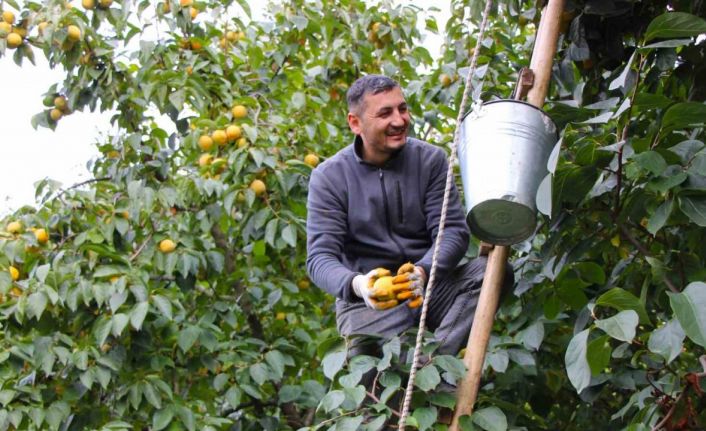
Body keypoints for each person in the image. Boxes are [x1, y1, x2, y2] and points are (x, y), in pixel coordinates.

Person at [306, 74, 513, 360]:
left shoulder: (431, 160)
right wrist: (358, 285)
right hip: (370, 302)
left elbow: (451, 231)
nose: (399, 120)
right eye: (384, 113)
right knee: (371, 371)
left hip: (431, 286)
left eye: (402, 109)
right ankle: (418, 373)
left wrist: (424, 270)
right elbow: (319, 258)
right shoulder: (329, 178)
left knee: (493, 272)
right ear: (356, 123)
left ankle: (433, 364)